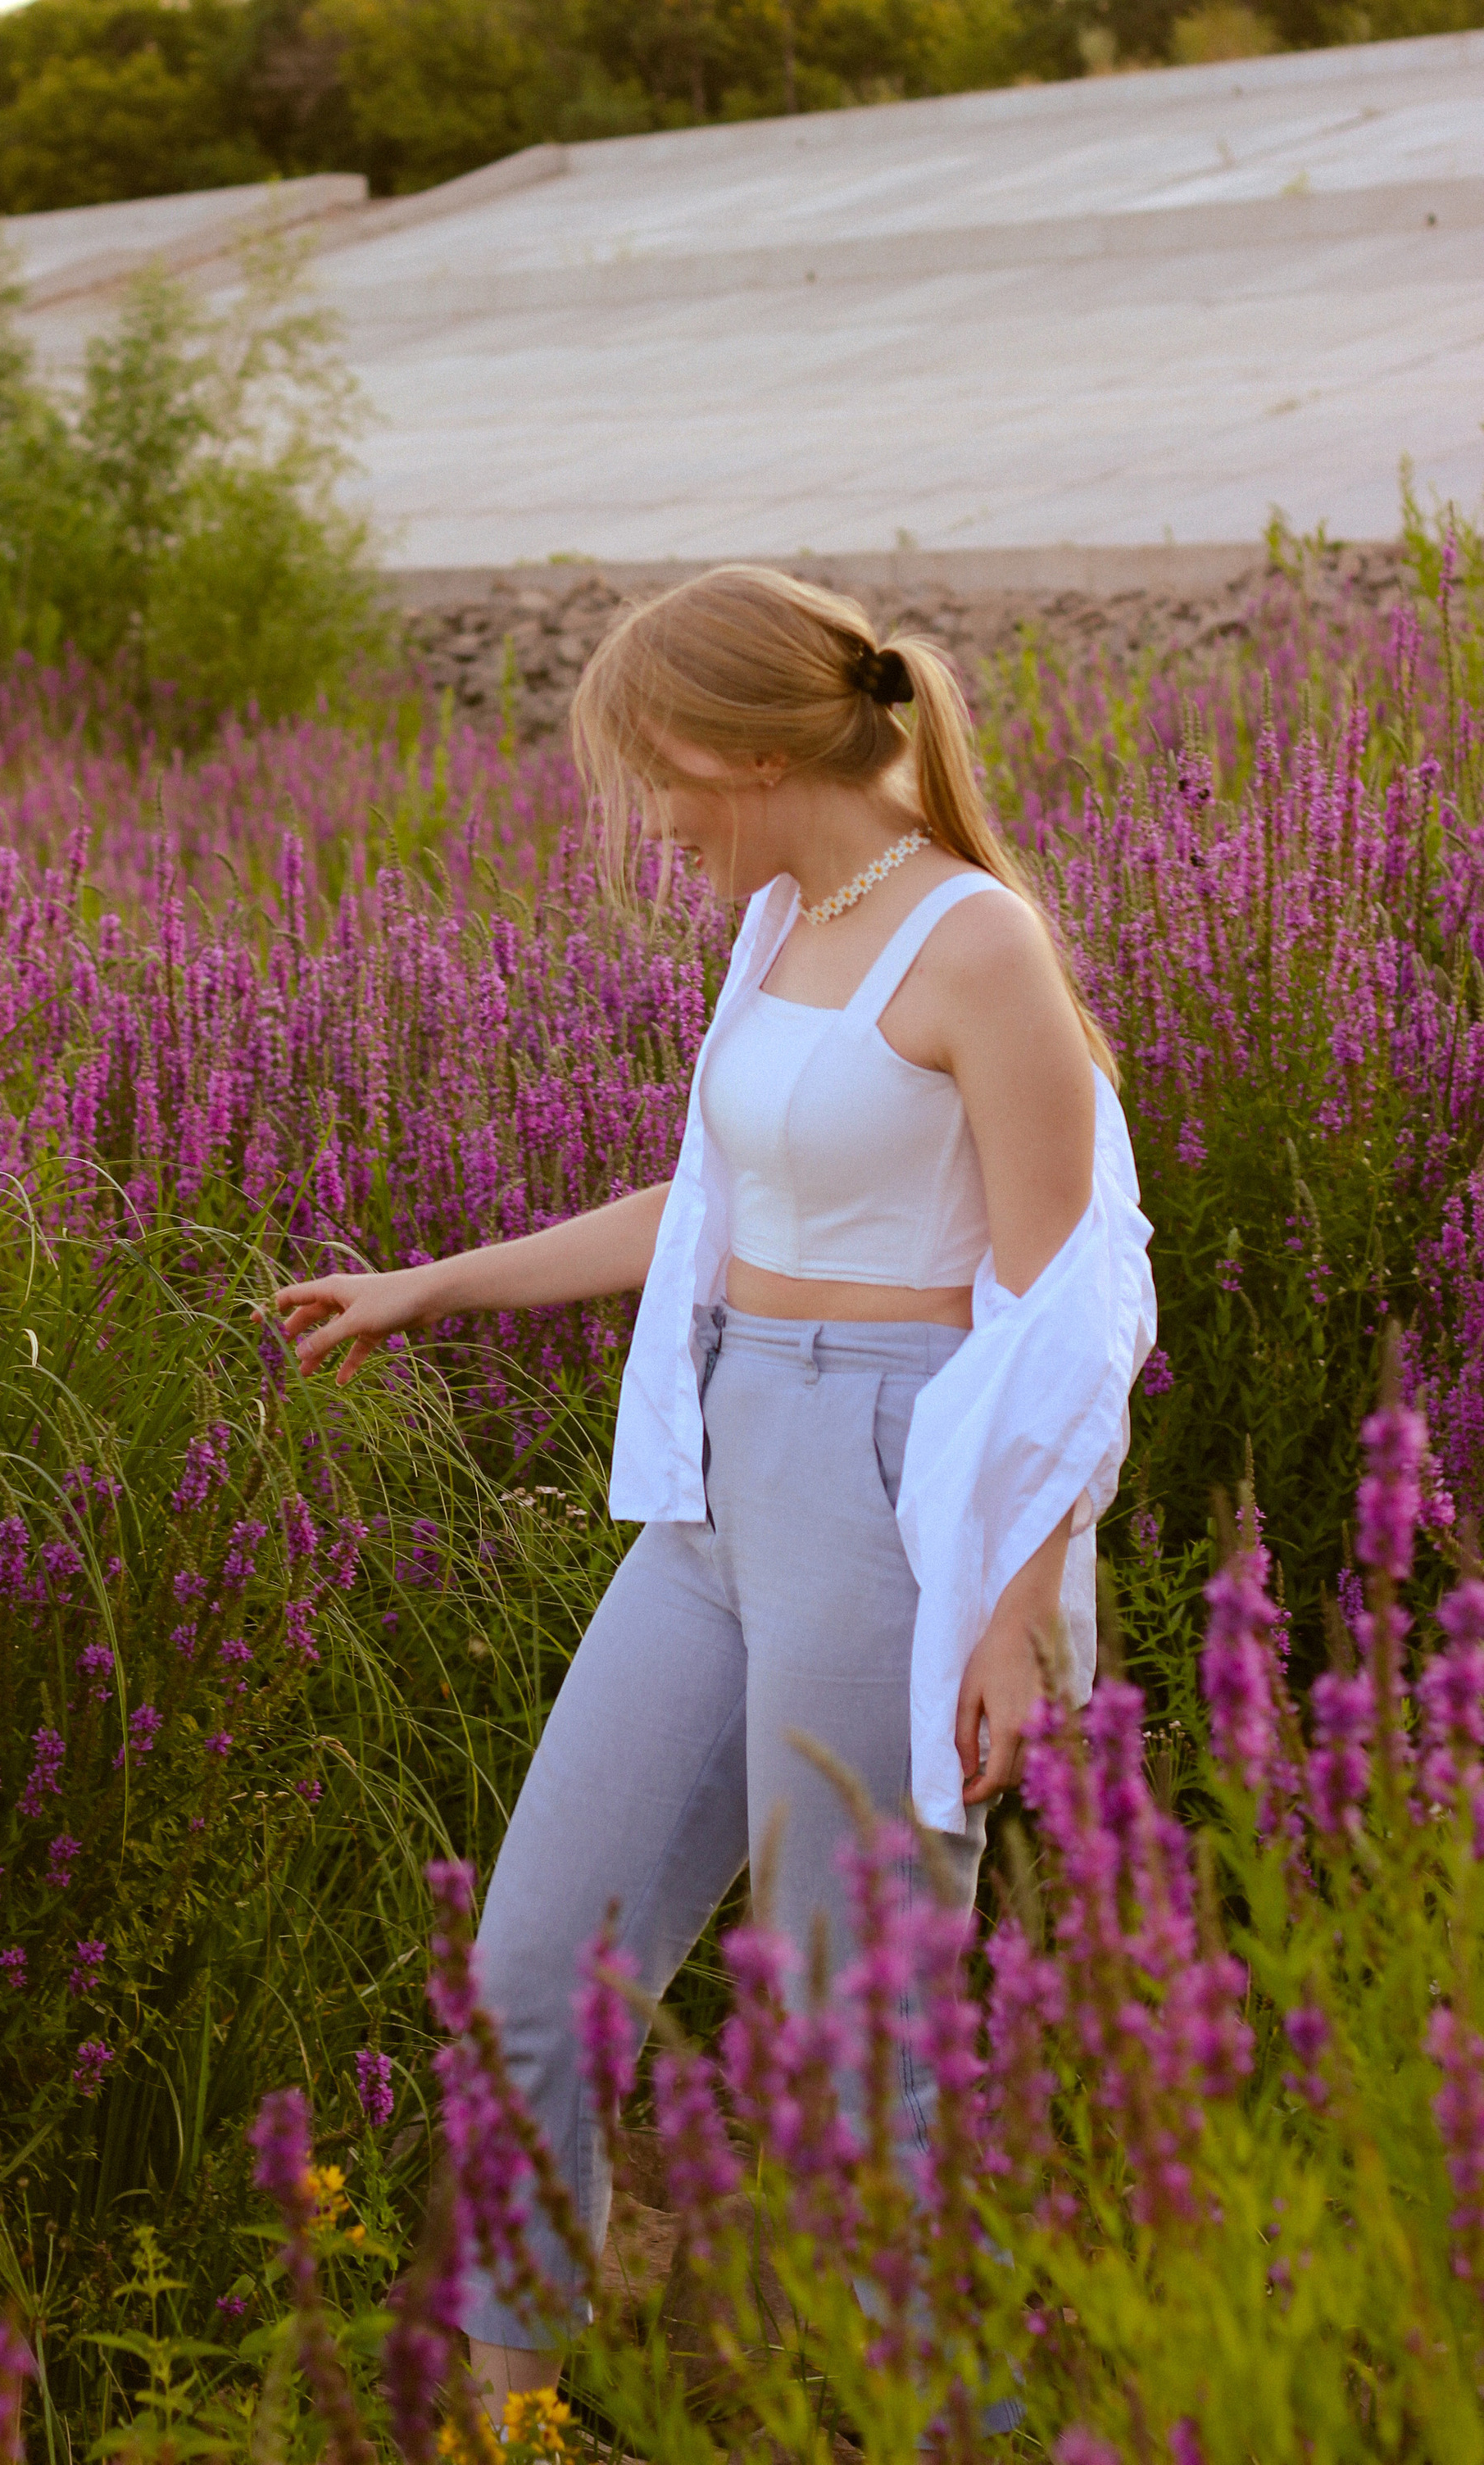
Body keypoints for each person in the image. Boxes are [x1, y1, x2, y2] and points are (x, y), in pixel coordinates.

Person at [275, 564, 1155, 2412]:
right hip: (719, 1476)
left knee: (851, 2049)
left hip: (887, 1491)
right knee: (530, 1972)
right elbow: (718, 1207)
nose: (641, 818)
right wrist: (433, 1282)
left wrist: (1010, 1610)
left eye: (648, 774)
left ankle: (949, 2429)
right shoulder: (782, 920)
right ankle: (510, 2433)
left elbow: (1068, 1309)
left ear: (746, 746)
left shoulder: (974, 944)